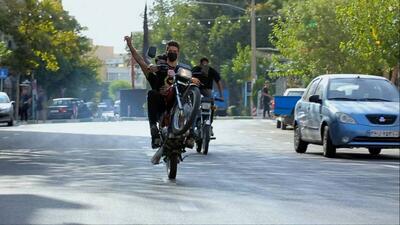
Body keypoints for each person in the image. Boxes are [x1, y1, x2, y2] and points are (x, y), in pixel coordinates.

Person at [124, 36, 200, 149]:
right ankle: (154, 130)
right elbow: (140, 61)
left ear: (178, 53)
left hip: (176, 104)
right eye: (170, 51)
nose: (173, 53)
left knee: (192, 99)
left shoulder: (182, 71)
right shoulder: (158, 70)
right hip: (161, 107)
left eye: (175, 51)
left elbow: (190, 82)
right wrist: (130, 45)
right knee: (151, 94)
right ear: (166, 52)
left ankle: (191, 133)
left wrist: (191, 79)